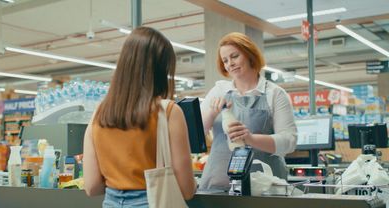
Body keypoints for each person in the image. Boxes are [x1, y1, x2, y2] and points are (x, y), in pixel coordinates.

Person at [83, 27, 196, 207]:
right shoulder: (168, 112)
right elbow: (186, 190)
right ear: (162, 69)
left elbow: (92, 187)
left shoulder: (98, 114)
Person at [199, 32, 297, 191]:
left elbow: (289, 141)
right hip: (219, 184)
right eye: (225, 60)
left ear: (249, 54)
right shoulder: (219, 90)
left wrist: (250, 139)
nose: (230, 63)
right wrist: (211, 113)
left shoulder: (274, 94)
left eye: (234, 56)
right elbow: (194, 134)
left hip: (263, 186)